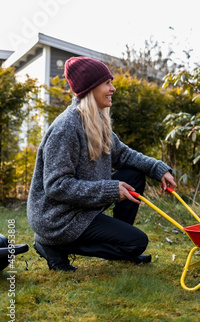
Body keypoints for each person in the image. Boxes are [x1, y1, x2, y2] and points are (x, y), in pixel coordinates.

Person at [27, 56, 176, 271]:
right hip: (58, 218)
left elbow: (124, 155)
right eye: (107, 83)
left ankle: (118, 240)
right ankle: (52, 246)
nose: (113, 88)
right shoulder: (65, 129)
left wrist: (158, 169)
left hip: (80, 207)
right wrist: (109, 190)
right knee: (136, 243)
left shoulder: (96, 120)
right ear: (91, 88)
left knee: (133, 175)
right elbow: (56, 186)